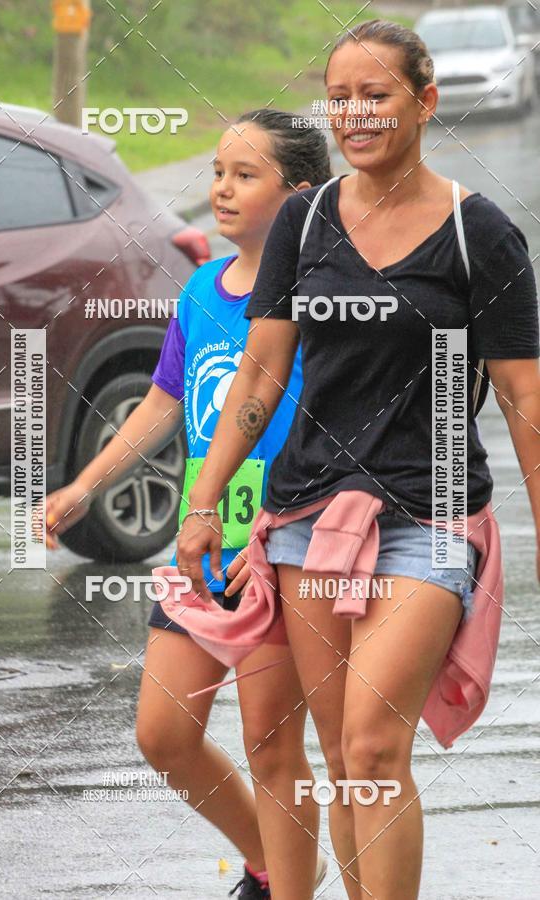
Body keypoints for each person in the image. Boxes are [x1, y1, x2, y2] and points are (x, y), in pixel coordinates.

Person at [176, 20, 540, 900]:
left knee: (376, 743)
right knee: (342, 754)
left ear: (425, 102)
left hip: (431, 517)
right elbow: (261, 370)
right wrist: (206, 499)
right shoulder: (303, 221)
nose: (354, 112)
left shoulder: (476, 234)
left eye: (375, 94)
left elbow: (526, 400)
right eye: (340, 96)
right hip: (305, 519)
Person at [44, 108, 332, 899]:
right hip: (203, 543)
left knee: (272, 745)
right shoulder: (204, 288)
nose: (222, 190)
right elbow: (163, 405)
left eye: (246, 176)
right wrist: (83, 485)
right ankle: (271, 865)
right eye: (217, 173)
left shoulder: (321, 296)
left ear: (299, 193)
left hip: (285, 545)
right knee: (164, 735)